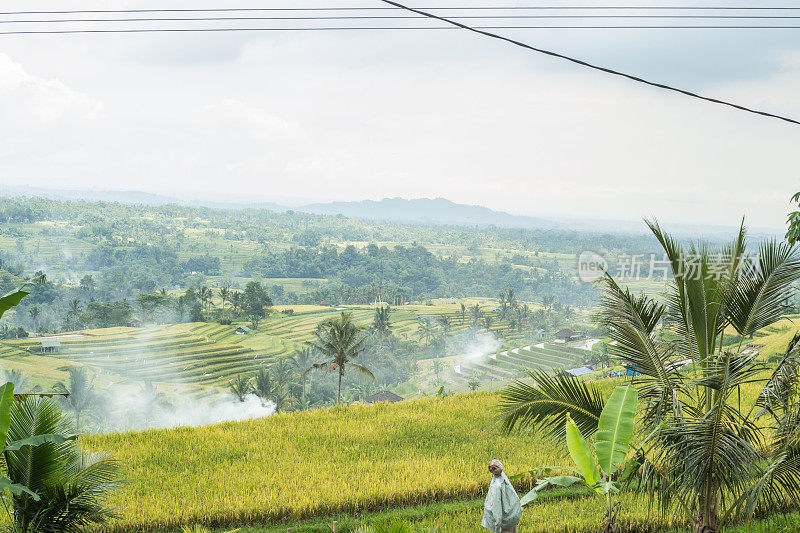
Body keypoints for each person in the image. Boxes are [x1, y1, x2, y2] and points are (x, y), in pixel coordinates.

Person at [481, 459, 522, 533]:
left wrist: (497, 527)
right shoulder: (504, 478)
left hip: (503, 524)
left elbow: (497, 508)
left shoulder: (496, 486)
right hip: (510, 518)